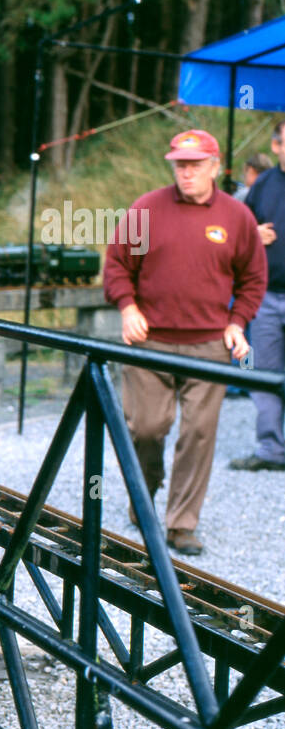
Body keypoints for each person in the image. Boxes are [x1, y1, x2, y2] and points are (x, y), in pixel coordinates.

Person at [103, 128, 267, 555]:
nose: (186, 172)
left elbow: (253, 278)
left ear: (216, 167)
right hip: (149, 340)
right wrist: (127, 307)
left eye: (195, 164)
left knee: (198, 433)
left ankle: (181, 524)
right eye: (179, 164)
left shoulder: (236, 217)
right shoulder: (147, 208)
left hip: (210, 345)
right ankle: (144, 496)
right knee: (146, 428)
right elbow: (118, 265)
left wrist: (237, 322)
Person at [229, 119, 285, 472]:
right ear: (277, 146)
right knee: (263, 374)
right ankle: (271, 451)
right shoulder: (263, 184)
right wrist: (251, 232)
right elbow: (238, 227)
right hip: (267, 298)